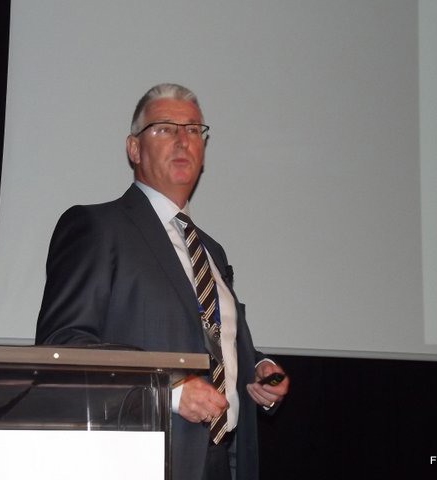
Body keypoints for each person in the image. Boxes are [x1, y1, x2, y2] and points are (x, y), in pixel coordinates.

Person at [35, 83, 289, 480]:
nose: (183, 140)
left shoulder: (212, 251)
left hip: (222, 462)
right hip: (142, 459)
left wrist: (258, 369)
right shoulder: (97, 227)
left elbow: (214, 342)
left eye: (194, 130)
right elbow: (62, 344)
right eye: (165, 128)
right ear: (134, 149)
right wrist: (168, 390)